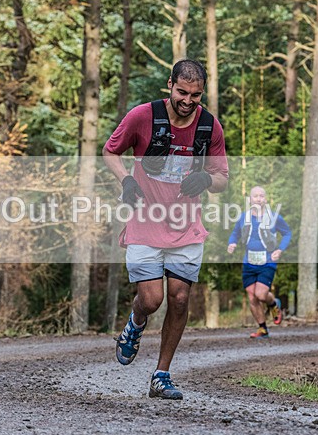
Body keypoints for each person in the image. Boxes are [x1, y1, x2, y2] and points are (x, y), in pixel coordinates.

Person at [103, 59, 229, 400]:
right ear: (169, 84)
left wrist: (206, 178)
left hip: (185, 226)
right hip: (146, 220)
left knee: (180, 297)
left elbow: (221, 179)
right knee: (152, 299)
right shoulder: (143, 116)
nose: (188, 101)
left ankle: (162, 374)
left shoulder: (208, 126)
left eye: (196, 95)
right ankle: (135, 322)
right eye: (182, 92)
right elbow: (110, 151)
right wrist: (126, 180)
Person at [227, 185, 292, 339]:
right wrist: (232, 243)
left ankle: (273, 303)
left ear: (265, 199)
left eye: (261, 196)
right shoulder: (244, 217)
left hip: (267, 261)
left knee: (261, 294)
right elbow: (235, 234)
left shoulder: (274, 217)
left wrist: (280, 249)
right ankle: (262, 328)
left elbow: (287, 233)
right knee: (252, 297)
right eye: (255, 196)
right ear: (250, 199)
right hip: (249, 262)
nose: (258, 198)